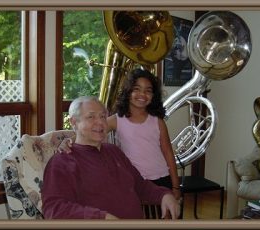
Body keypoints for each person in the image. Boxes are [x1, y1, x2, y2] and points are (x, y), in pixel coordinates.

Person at [59, 69, 180, 218]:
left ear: (153, 96)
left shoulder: (157, 121)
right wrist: (68, 140)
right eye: (136, 89)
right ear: (128, 92)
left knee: (167, 216)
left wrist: (175, 185)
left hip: (161, 177)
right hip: (136, 179)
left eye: (148, 91)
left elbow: (168, 153)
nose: (142, 95)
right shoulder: (117, 119)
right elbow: (90, 130)